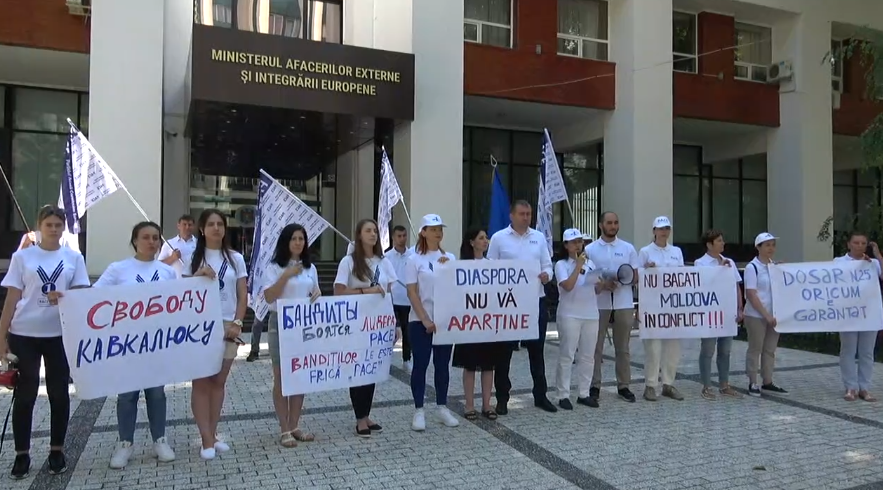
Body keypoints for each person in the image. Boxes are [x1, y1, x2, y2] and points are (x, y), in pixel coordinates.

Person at [0, 205, 90, 479]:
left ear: (63, 228)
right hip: (24, 334)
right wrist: (1, 337)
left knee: (59, 394)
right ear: (39, 227)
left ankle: (56, 451)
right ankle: (22, 454)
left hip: (59, 335)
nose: (53, 229)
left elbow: (81, 295)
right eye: (48, 224)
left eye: (57, 225)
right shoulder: (22, 257)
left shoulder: (74, 257)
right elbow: (12, 299)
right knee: (25, 395)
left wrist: (64, 296)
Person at [93, 221, 178, 468]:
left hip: (157, 343)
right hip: (127, 344)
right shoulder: (118, 269)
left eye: (155, 238)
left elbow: (180, 301)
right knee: (127, 395)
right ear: (134, 241)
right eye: (146, 237)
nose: (151, 242)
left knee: (156, 393)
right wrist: (65, 297)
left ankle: (160, 440)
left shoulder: (167, 271)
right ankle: (125, 444)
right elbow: (93, 296)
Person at [181, 209, 248, 459]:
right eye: (211, 224)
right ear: (202, 229)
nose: (216, 228)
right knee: (201, 383)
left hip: (228, 325)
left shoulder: (235, 258)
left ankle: (213, 433)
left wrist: (238, 322)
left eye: (220, 224)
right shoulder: (192, 257)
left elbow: (242, 294)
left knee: (219, 382)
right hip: (200, 326)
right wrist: (197, 276)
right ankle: (206, 439)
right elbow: (181, 294)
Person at [487, 200, 556, 414]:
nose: (526, 217)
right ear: (512, 215)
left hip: (535, 301)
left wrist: (547, 275)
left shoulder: (539, 237)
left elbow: (548, 265)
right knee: (504, 353)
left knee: (537, 351)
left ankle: (540, 395)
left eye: (529, 214)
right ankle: (502, 398)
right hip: (507, 304)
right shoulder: (498, 238)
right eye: (522, 214)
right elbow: (489, 267)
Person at [333, 218, 400, 437]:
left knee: (371, 369)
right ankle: (359, 418)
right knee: (357, 370)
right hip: (356, 325)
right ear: (359, 235)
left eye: (375, 231)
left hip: (377, 326)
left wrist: (394, 324)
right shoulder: (348, 262)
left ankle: (367, 414)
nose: (373, 234)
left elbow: (388, 296)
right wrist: (365, 292)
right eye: (368, 230)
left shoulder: (384, 262)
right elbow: (339, 291)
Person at [261, 223, 321, 446]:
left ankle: (295, 425)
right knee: (281, 377)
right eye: (294, 238)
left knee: (299, 376)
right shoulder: (274, 267)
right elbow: (269, 296)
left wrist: (317, 293)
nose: (298, 242)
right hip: (280, 324)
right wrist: (286, 275)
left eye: (301, 239)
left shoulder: (310, 268)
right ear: (286, 242)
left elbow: (313, 292)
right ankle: (284, 428)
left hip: (303, 326)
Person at [404, 214, 460, 431]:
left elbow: (457, 287)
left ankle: (442, 407)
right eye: (433, 229)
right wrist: (425, 318)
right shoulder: (414, 259)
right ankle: (419, 409)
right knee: (420, 364)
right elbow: (411, 292)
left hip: (444, 321)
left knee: (442, 365)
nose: (438, 232)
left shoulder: (450, 258)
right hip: (420, 321)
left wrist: (449, 269)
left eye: (440, 229)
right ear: (423, 232)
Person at [586, 211, 640, 404]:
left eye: (616, 222)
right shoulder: (590, 249)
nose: (613, 226)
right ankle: (594, 385)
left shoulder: (628, 248)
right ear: (601, 225)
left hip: (623, 302)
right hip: (599, 303)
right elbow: (587, 277)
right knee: (596, 347)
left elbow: (635, 276)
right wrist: (603, 283)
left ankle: (624, 385)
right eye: (609, 223)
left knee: (623, 347)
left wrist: (622, 279)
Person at [452, 228, 504, 420]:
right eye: (481, 238)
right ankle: (469, 405)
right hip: (469, 322)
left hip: (488, 322)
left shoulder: (492, 265)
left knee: (488, 365)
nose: (485, 241)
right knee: (470, 365)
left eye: (486, 238)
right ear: (471, 242)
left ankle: (487, 404)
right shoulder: (461, 266)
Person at [638, 216, 686, 401]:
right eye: (660, 228)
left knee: (673, 348)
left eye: (666, 228)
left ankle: (668, 384)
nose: (664, 232)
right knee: (653, 348)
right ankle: (650, 385)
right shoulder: (645, 251)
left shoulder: (676, 251)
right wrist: (646, 270)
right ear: (654, 231)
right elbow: (638, 277)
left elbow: (682, 277)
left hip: (673, 305)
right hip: (652, 306)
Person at [694, 229, 744, 400]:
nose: (723, 243)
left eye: (723, 240)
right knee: (708, 350)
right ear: (709, 244)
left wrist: (739, 307)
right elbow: (702, 285)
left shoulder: (730, 262)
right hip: (709, 313)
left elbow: (736, 285)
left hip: (727, 313)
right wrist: (719, 270)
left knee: (725, 350)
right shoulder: (700, 263)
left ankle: (724, 384)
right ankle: (706, 385)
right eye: (719, 241)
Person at [554, 228, 601, 410]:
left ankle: (584, 393)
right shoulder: (561, 265)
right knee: (567, 355)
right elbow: (567, 286)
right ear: (566, 245)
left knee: (588, 356)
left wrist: (603, 283)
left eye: (580, 241)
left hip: (590, 314)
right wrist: (578, 266)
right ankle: (563, 394)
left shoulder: (591, 263)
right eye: (573, 242)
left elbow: (596, 289)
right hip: (569, 314)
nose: (577, 245)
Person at [834, 232, 883, 402]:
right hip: (848, 313)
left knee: (866, 352)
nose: (859, 246)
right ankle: (850, 387)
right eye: (856, 242)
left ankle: (864, 387)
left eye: (863, 243)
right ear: (849, 244)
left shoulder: (872, 263)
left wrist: (877, 255)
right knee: (848, 351)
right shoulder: (839, 262)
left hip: (869, 313)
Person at [744, 232, 787, 397]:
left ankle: (767, 381)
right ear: (758, 247)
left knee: (770, 349)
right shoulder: (752, 267)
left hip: (774, 314)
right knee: (755, 348)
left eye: (773, 245)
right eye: (767, 245)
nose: (771, 248)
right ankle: (752, 381)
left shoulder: (774, 266)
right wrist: (765, 315)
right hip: (756, 316)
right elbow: (751, 294)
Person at [386, 225, 413, 372]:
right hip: (392, 300)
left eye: (404, 236)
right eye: (399, 236)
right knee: (391, 332)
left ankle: (407, 359)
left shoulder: (412, 256)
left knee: (407, 331)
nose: (402, 239)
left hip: (408, 300)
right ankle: (385, 359)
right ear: (393, 237)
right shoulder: (387, 257)